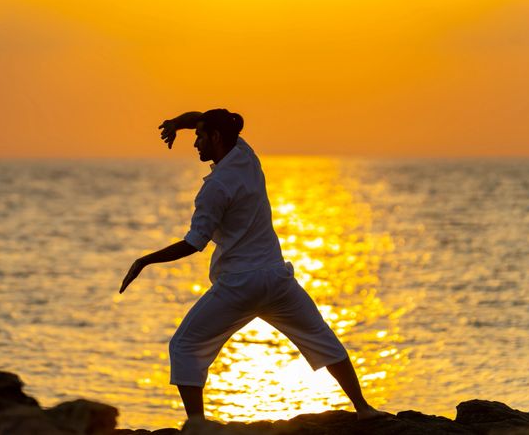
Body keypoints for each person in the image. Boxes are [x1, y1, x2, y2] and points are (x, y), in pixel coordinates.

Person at [119, 109, 387, 421]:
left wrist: (145, 260)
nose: (195, 143)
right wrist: (179, 124)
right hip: (276, 280)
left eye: (200, 136)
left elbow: (195, 242)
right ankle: (365, 409)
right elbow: (207, 116)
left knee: (184, 345)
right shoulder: (246, 156)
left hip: (238, 285)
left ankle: (196, 425)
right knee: (322, 339)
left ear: (216, 138)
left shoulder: (215, 187)